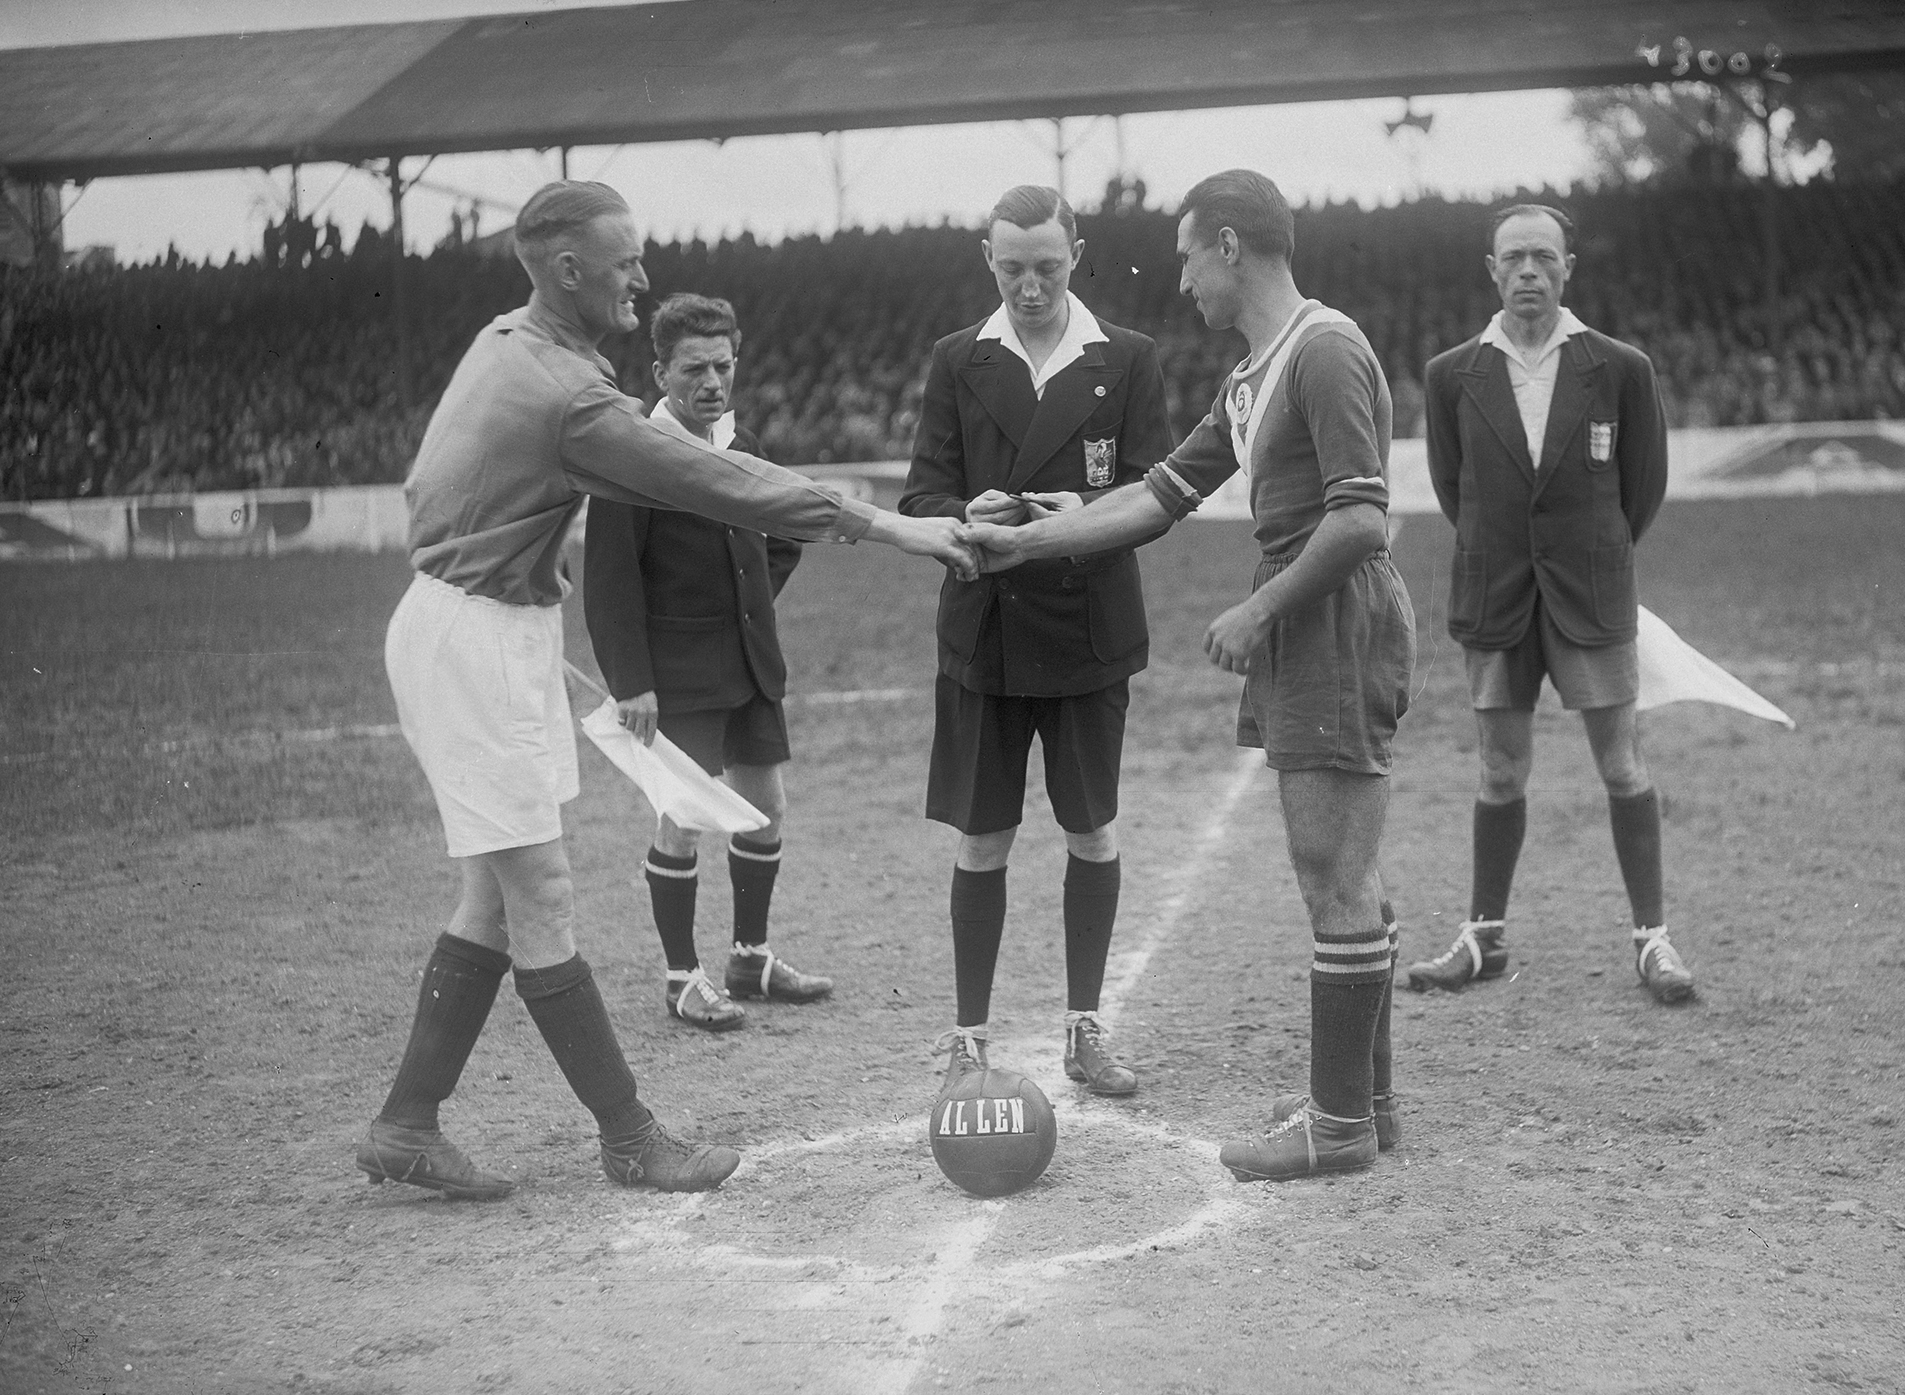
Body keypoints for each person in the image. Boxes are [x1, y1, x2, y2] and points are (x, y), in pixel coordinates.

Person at [358, 181, 975, 1200]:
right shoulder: (570, 395)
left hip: (476, 626)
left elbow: (435, 497)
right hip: (474, 636)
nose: (643, 277)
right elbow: (717, 482)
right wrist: (900, 529)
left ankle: (407, 1123)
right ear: (567, 270)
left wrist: (508, 596)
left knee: (494, 897)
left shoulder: (507, 344)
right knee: (541, 894)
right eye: (626, 261)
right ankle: (630, 1136)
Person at [965, 170, 1415, 1183]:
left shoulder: (1324, 348)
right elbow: (1154, 496)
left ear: (1225, 245)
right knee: (1338, 866)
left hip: (1328, 616)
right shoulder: (1253, 375)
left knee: (1331, 869)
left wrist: (1259, 608)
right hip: (1308, 615)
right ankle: (1368, 1104)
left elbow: (1358, 518)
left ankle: (1337, 1124)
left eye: (1181, 258)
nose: (1178, 284)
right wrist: (1035, 539)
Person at [901, 185, 1176, 1097]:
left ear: (1078, 253)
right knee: (983, 839)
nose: (1029, 285)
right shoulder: (956, 359)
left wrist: (1087, 512)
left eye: (1048, 267)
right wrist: (961, 509)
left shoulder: (1127, 358)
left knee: (1091, 829)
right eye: (1012, 267)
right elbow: (922, 496)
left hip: (1087, 627)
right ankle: (969, 1039)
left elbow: (1155, 493)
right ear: (988, 259)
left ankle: (1084, 1026)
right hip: (986, 630)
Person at [1410, 204, 1693, 1004]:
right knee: (1501, 770)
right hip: (1496, 595)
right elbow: (1453, 486)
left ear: (1569, 266)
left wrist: (1587, 553)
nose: (1529, 270)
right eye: (1514, 258)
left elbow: (1643, 488)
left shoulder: (1620, 368)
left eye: (1543, 256)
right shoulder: (1450, 374)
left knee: (1621, 761)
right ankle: (1484, 937)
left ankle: (1653, 938)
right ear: (1491, 270)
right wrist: (1512, 551)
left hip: (1591, 595)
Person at [584, 293, 831, 1033]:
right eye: (694, 368)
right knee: (683, 819)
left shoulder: (742, 441)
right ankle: (682, 976)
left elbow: (782, 532)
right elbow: (609, 582)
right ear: (660, 370)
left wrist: (749, 599)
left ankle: (749, 956)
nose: (712, 382)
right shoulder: (631, 455)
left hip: (750, 662)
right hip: (678, 676)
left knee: (765, 808)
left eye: (723, 365)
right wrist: (633, 683)